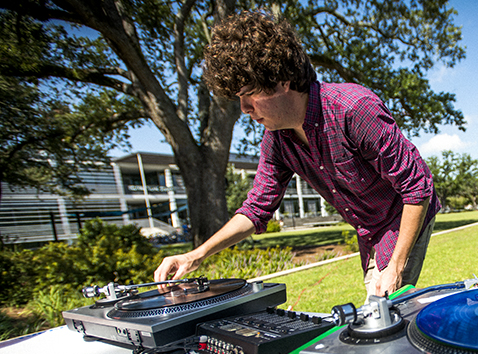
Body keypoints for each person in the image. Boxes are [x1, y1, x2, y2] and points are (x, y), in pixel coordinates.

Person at [154, 11, 440, 298]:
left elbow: (417, 187)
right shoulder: (276, 141)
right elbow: (255, 210)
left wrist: (396, 265)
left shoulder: (354, 109)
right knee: (381, 313)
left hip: (402, 214)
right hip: (367, 228)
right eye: (237, 98)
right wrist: (197, 254)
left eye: (249, 93)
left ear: (283, 78)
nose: (244, 108)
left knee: (381, 311)